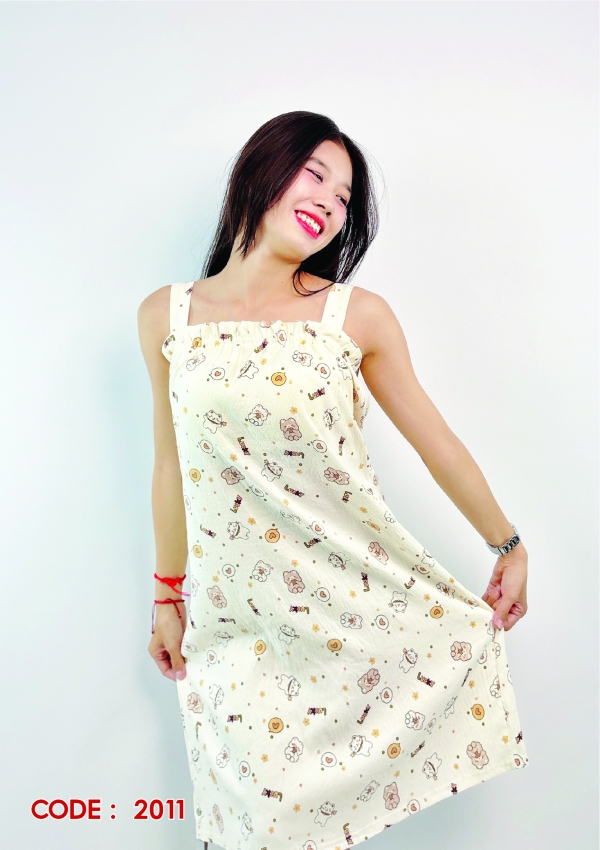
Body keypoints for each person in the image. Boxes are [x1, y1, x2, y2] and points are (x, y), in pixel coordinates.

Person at [137, 110, 529, 850]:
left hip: (349, 614)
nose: (329, 201)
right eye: (314, 174)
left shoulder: (355, 316)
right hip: (237, 629)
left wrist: (507, 544)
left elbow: (436, 444)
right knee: (252, 828)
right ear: (260, 170)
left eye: (345, 197)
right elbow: (169, 464)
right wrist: (165, 593)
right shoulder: (167, 315)